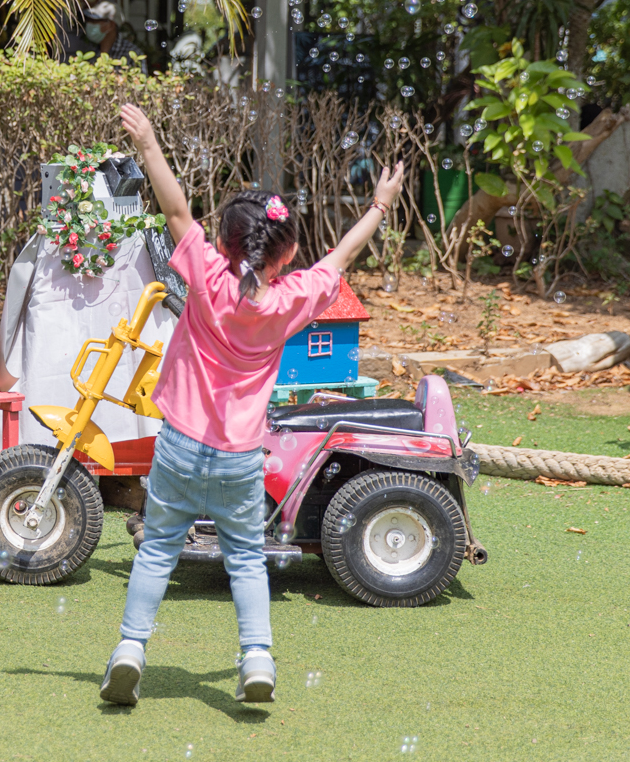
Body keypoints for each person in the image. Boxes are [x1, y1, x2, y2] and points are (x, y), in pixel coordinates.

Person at [99, 103, 404, 707]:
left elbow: (175, 209)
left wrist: (150, 143)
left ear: (224, 240)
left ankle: (131, 648)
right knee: (244, 559)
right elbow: (341, 258)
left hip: (181, 445)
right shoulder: (292, 298)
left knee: (158, 549)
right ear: (286, 254)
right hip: (241, 458)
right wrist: (378, 205)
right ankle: (257, 657)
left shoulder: (207, 276)